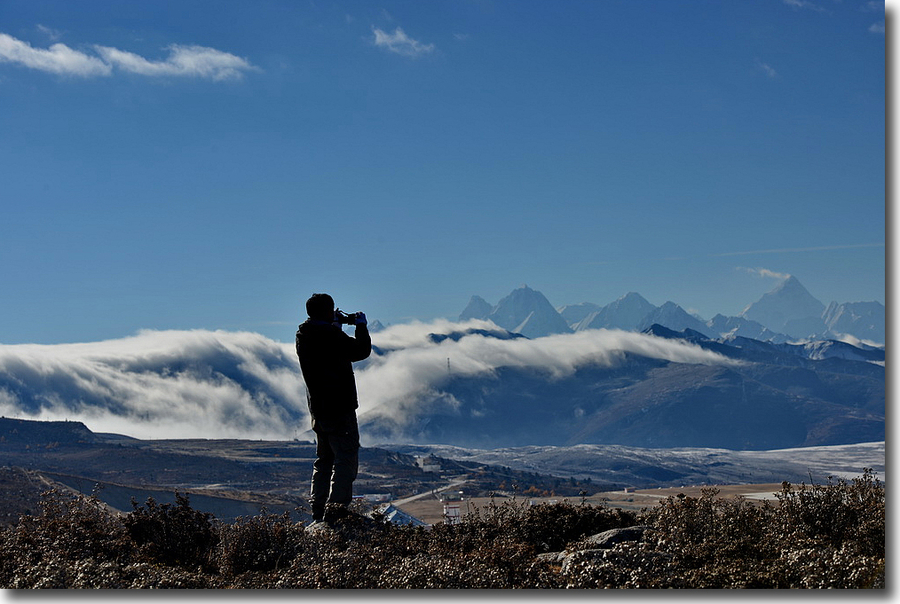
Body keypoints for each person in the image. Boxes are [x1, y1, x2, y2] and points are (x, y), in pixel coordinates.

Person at [295, 293, 371, 525]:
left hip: (318, 410)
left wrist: (335, 326)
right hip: (340, 409)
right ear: (328, 312)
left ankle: (318, 510)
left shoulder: (303, 335)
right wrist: (360, 327)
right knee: (345, 458)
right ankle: (337, 510)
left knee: (324, 460)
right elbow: (360, 351)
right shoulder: (329, 335)